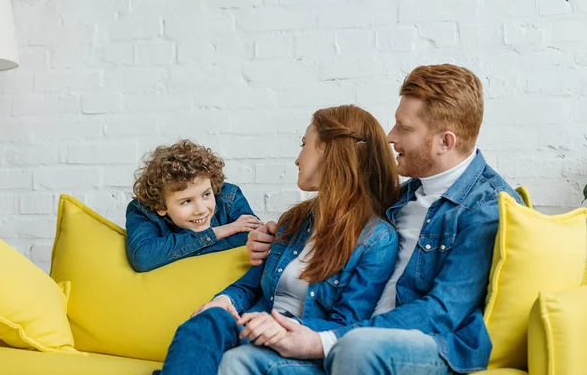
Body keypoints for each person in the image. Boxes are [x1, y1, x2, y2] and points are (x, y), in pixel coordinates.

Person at [229, 64, 522, 375]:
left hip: (433, 346)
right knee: (241, 360)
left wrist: (323, 340)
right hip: (354, 337)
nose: (390, 137)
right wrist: (275, 238)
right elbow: (336, 222)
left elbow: (442, 313)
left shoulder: (487, 209)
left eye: (404, 128)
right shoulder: (401, 196)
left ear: (445, 142)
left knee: (357, 348)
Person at [155, 105, 401, 375]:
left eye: (304, 144)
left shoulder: (377, 240)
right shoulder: (294, 223)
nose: (297, 159)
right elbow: (249, 288)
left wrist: (281, 328)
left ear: (329, 151)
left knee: (235, 361)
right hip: (255, 328)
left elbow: (349, 324)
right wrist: (222, 302)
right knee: (205, 321)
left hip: (301, 348)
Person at [125, 139, 263, 272]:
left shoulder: (229, 196)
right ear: (160, 207)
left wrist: (171, 254)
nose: (201, 210)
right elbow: (143, 258)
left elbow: (253, 239)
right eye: (186, 201)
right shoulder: (142, 210)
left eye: (206, 195)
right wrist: (218, 232)